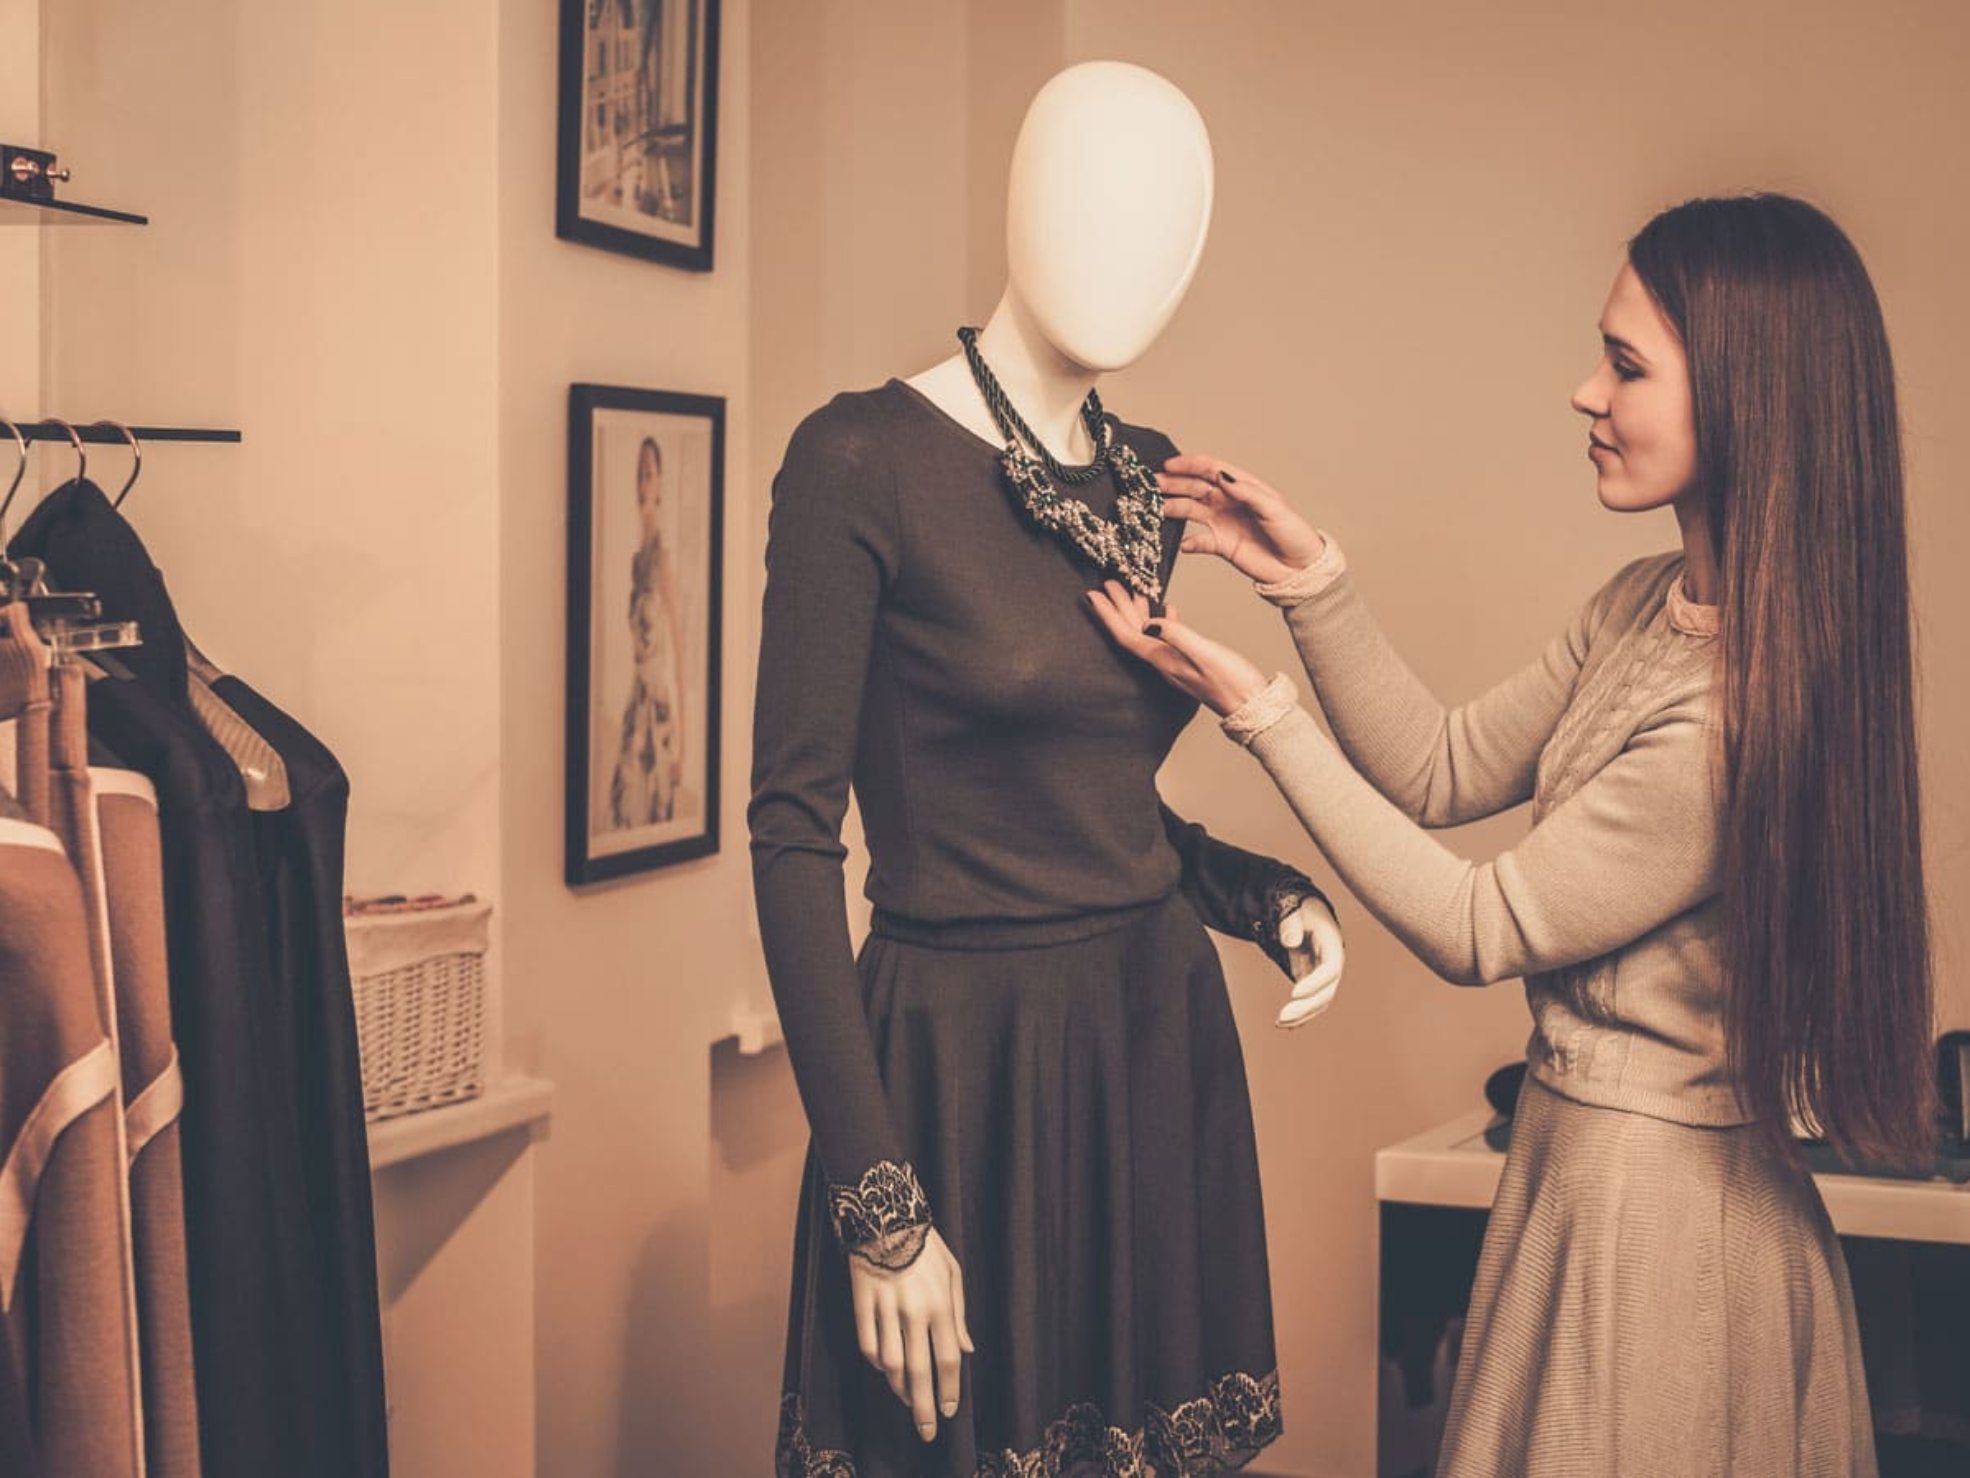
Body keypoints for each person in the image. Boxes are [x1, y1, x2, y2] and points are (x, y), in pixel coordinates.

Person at [1089, 192, 1933, 1476]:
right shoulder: (1645, 605)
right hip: (1578, 1177)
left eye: (1626, 365)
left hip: (1658, 1237)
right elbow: (1439, 767)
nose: (1582, 391)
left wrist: (1260, 714)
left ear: (1749, 402)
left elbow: (1478, 925)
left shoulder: (1736, 717)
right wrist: (1307, 579)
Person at [611, 435, 686, 827]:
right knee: (622, 801)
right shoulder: (636, 560)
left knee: (656, 809)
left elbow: (678, 650)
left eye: (650, 475)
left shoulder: (663, 560)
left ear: (660, 483)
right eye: (639, 475)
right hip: (636, 699)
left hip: (659, 706)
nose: (643, 484)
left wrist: (683, 745)